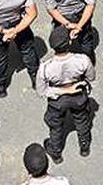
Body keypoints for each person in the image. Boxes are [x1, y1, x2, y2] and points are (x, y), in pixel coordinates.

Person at [36, 26, 95, 163]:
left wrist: (62, 91)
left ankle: (56, 154)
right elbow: (91, 78)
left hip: (57, 100)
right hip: (78, 94)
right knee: (82, 121)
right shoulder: (83, 60)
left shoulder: (45, 67)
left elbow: (42, 91)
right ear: (69, 42)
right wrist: (71, 88)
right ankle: (84, 147)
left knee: (56, 127)